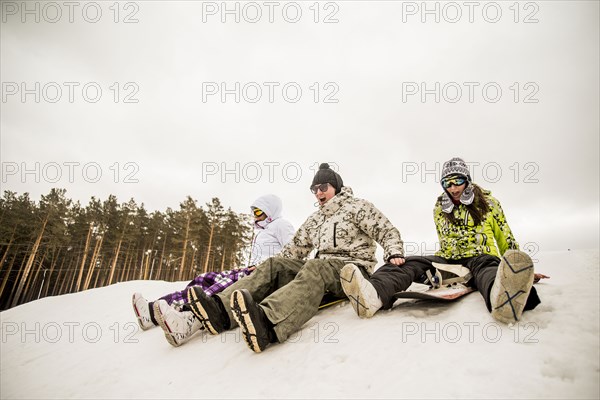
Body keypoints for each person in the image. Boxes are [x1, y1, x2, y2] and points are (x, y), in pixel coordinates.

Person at [186, 163, 405, 352]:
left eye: (323, 187)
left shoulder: (358, 207)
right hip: (324, 267)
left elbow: (386, 231)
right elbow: (296, 247)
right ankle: (220, 312)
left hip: (353, 271)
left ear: (336, 187)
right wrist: (264, 267)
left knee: (315, 267)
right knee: (275, 264)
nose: (319, 193)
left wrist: (394, 252)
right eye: (314, 189)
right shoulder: (316, 218)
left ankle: (268, 323)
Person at [341, 157, 542, 324]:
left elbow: (505, 236)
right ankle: (373, 294)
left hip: (481, 257)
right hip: (450, 260)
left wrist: (517, 268)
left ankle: (502, 295)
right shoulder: (440, 208)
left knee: (489, 269)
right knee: (407, 263)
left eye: (457, 181)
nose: (453, 188)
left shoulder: (489, 203)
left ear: (467, 181)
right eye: (447, 183)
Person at [132, 194, 294, 346]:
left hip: (262, 272)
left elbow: (294, 250)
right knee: (204, 279)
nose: (255, 216)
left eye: (259, 211)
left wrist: (265, 267)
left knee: (219, 289)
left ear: (271, 211)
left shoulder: (281, 225)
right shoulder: (262, 232)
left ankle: (186, 317)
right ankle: (152, 312)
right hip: (250, 269)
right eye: (253, 212)